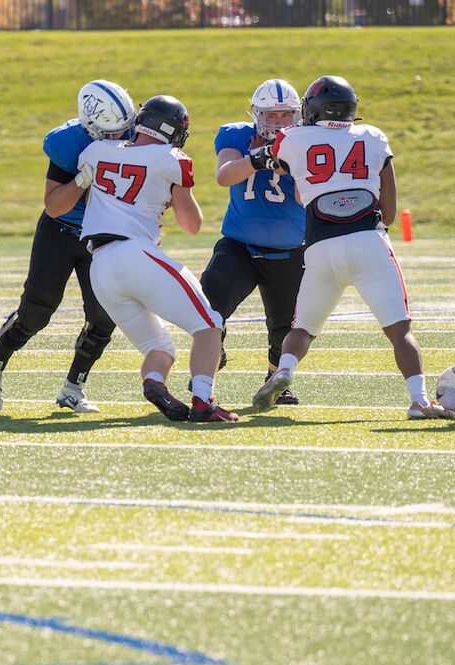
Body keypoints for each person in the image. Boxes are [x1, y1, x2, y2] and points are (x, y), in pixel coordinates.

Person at [252, 76, 454, 419]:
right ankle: (419, 400)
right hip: (368, 240)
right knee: (399, 330)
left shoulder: (293, 137)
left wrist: (275, 162)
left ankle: (283, 369)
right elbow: (388, 211)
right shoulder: (373, 136)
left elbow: (263, 157)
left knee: (302, 327)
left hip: (319, 246)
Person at [78, 95, 239, 422]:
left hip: (99, 268)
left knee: (160, 348)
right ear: (175, 131)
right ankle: (204, 403)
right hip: (134, 253)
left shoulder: (94, 152)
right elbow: (191, 225)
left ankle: (154, 382)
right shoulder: (171, 158)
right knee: (209, 325)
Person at [0, 79, 132, 413]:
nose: (121, 138)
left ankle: (73, 389)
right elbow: (53, 206)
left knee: (105, 314)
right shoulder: (68, 142)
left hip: (101, 235)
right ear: (90, 126)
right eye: (112, 133)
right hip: (60, 231)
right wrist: (81, 181)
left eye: (126, 129)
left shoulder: (132, 134)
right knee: (36, 313)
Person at [200, 78, 305, 405]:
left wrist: (294, 164)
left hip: (289, 250)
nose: (277, 122)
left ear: (297, 115)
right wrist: (259, 158)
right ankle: (212, 360)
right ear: (256, 114)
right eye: (270, 115)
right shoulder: (236, 135)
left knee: (283, 327)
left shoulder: (304, 141)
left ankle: (276, 381)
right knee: (209, 302)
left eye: (285, 115)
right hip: (240, 246)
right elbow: (224, 175)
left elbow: (305, 198)